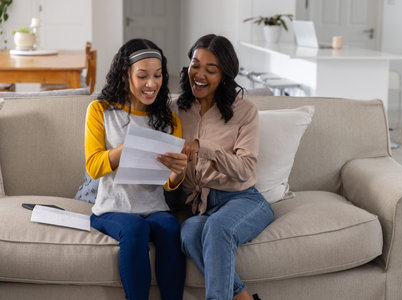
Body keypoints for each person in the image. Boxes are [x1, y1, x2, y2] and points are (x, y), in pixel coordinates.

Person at [85, 38, 186, 300]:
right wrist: (128, 146)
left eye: (157, 75)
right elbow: (94, 167)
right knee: (134, 229)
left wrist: (179, 170)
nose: (151, 84)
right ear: (124, 76)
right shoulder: (100, 111)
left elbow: (168, 183)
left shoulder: (169, 120)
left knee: (169, 227)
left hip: (154, 206)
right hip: (111, 208)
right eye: (142, 76)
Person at [174, 34, 274, 300]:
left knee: (219, 228)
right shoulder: (176, 109)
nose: (200, 74)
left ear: (225, 75)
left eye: (211, 69)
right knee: (189, 233)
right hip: (201, 205)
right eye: (196, 65)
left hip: (243, 199)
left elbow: (244, 168)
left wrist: (203, 146)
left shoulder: (245, 110)